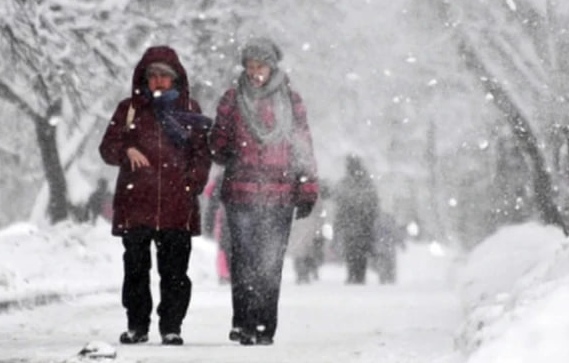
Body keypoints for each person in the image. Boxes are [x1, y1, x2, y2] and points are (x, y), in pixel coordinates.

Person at [99, 45, 212, 346]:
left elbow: (202, 154)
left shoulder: (189, 110)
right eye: (153, 75)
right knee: (136, 270)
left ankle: (171, 326)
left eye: (165, 75)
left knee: (175, 272)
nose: (159, 81)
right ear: (144, 78)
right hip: (136, 203)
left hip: (177, 205)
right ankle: (137, 325)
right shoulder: (129, 109)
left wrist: (191, 184)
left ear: (176, 78)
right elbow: (107, 148)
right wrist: (126, 149)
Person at [210, 37, 318, 346]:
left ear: (272, 67)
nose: (255, 72)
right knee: (243, 260)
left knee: (270, 263)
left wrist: (307, 187)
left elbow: (302, 146)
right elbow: (218, 145)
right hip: (241, 193)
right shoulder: (232, 99)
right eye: (250, 66)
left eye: (261, 66)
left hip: (279, 195)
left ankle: (264, 325)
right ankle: (244, 323)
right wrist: (220, 144)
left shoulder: (291, 101)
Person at [333, 154, 379, 284]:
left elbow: (340, 202)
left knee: (352, 250)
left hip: (353, 223)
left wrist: (341, 220)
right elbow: (373, 203)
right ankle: (359, 275)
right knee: (360, 250)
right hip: (363, 223)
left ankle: (353, 274)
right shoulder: (366, 182)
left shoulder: (347, 183)